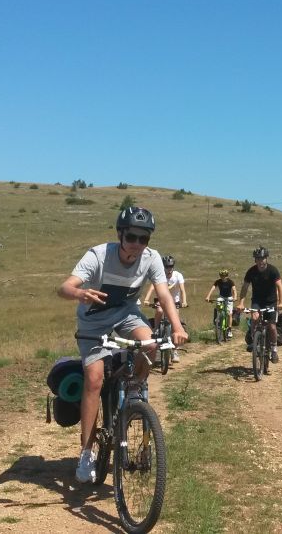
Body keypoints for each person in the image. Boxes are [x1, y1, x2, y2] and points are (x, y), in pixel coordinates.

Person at [57, 206, 188, 484]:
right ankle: (86, 453)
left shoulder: (151, 258)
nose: (137, 244)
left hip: (127, 314)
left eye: (144, 238)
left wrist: (177, 327)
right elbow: (64, 288)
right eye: (132, 237)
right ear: (120, 234)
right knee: (94, 379)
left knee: (150, 344)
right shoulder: (98, 255)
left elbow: (164, 295)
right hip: (93, 321)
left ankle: (133, 389)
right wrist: (80, 293)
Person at [238, 246, 282, 364]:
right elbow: (245, 287)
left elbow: (280, 286)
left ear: (266, 259)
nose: (261, 261)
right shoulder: (251, 271)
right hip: (257, 301)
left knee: (272, 326)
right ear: (255, 260)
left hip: (271, 301)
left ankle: (274, 349)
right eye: (258, 259)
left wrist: (281, 302)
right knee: (254, 319)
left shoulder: (273, 270)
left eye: (263, 258)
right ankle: (254, 342)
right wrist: (241, 303)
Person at [143, 255, 187, 362]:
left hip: (174, 302)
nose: (169, 268)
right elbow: (152, 288)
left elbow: (182, 290)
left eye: (171, 266)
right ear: (163, 267)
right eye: (167, 266)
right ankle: (156, 329)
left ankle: (175, 351)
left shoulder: (178, 275)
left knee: (175, 324)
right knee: (159, 310)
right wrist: (146, 299)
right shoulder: (160, 275)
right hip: (161, 300)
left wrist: (184, 301)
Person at [205, 269, 237, 339]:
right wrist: (208, 296)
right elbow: (212, 288)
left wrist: (235, 297)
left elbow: (234, 290)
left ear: (227, 276)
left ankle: (229, 330)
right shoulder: (218, 281)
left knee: (229, 314)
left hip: (229, 297)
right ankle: (218, 316)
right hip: (221, 297)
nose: (223, 277)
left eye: (224, 276)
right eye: (221, 276)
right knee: (218, 304)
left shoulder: (230, 282)